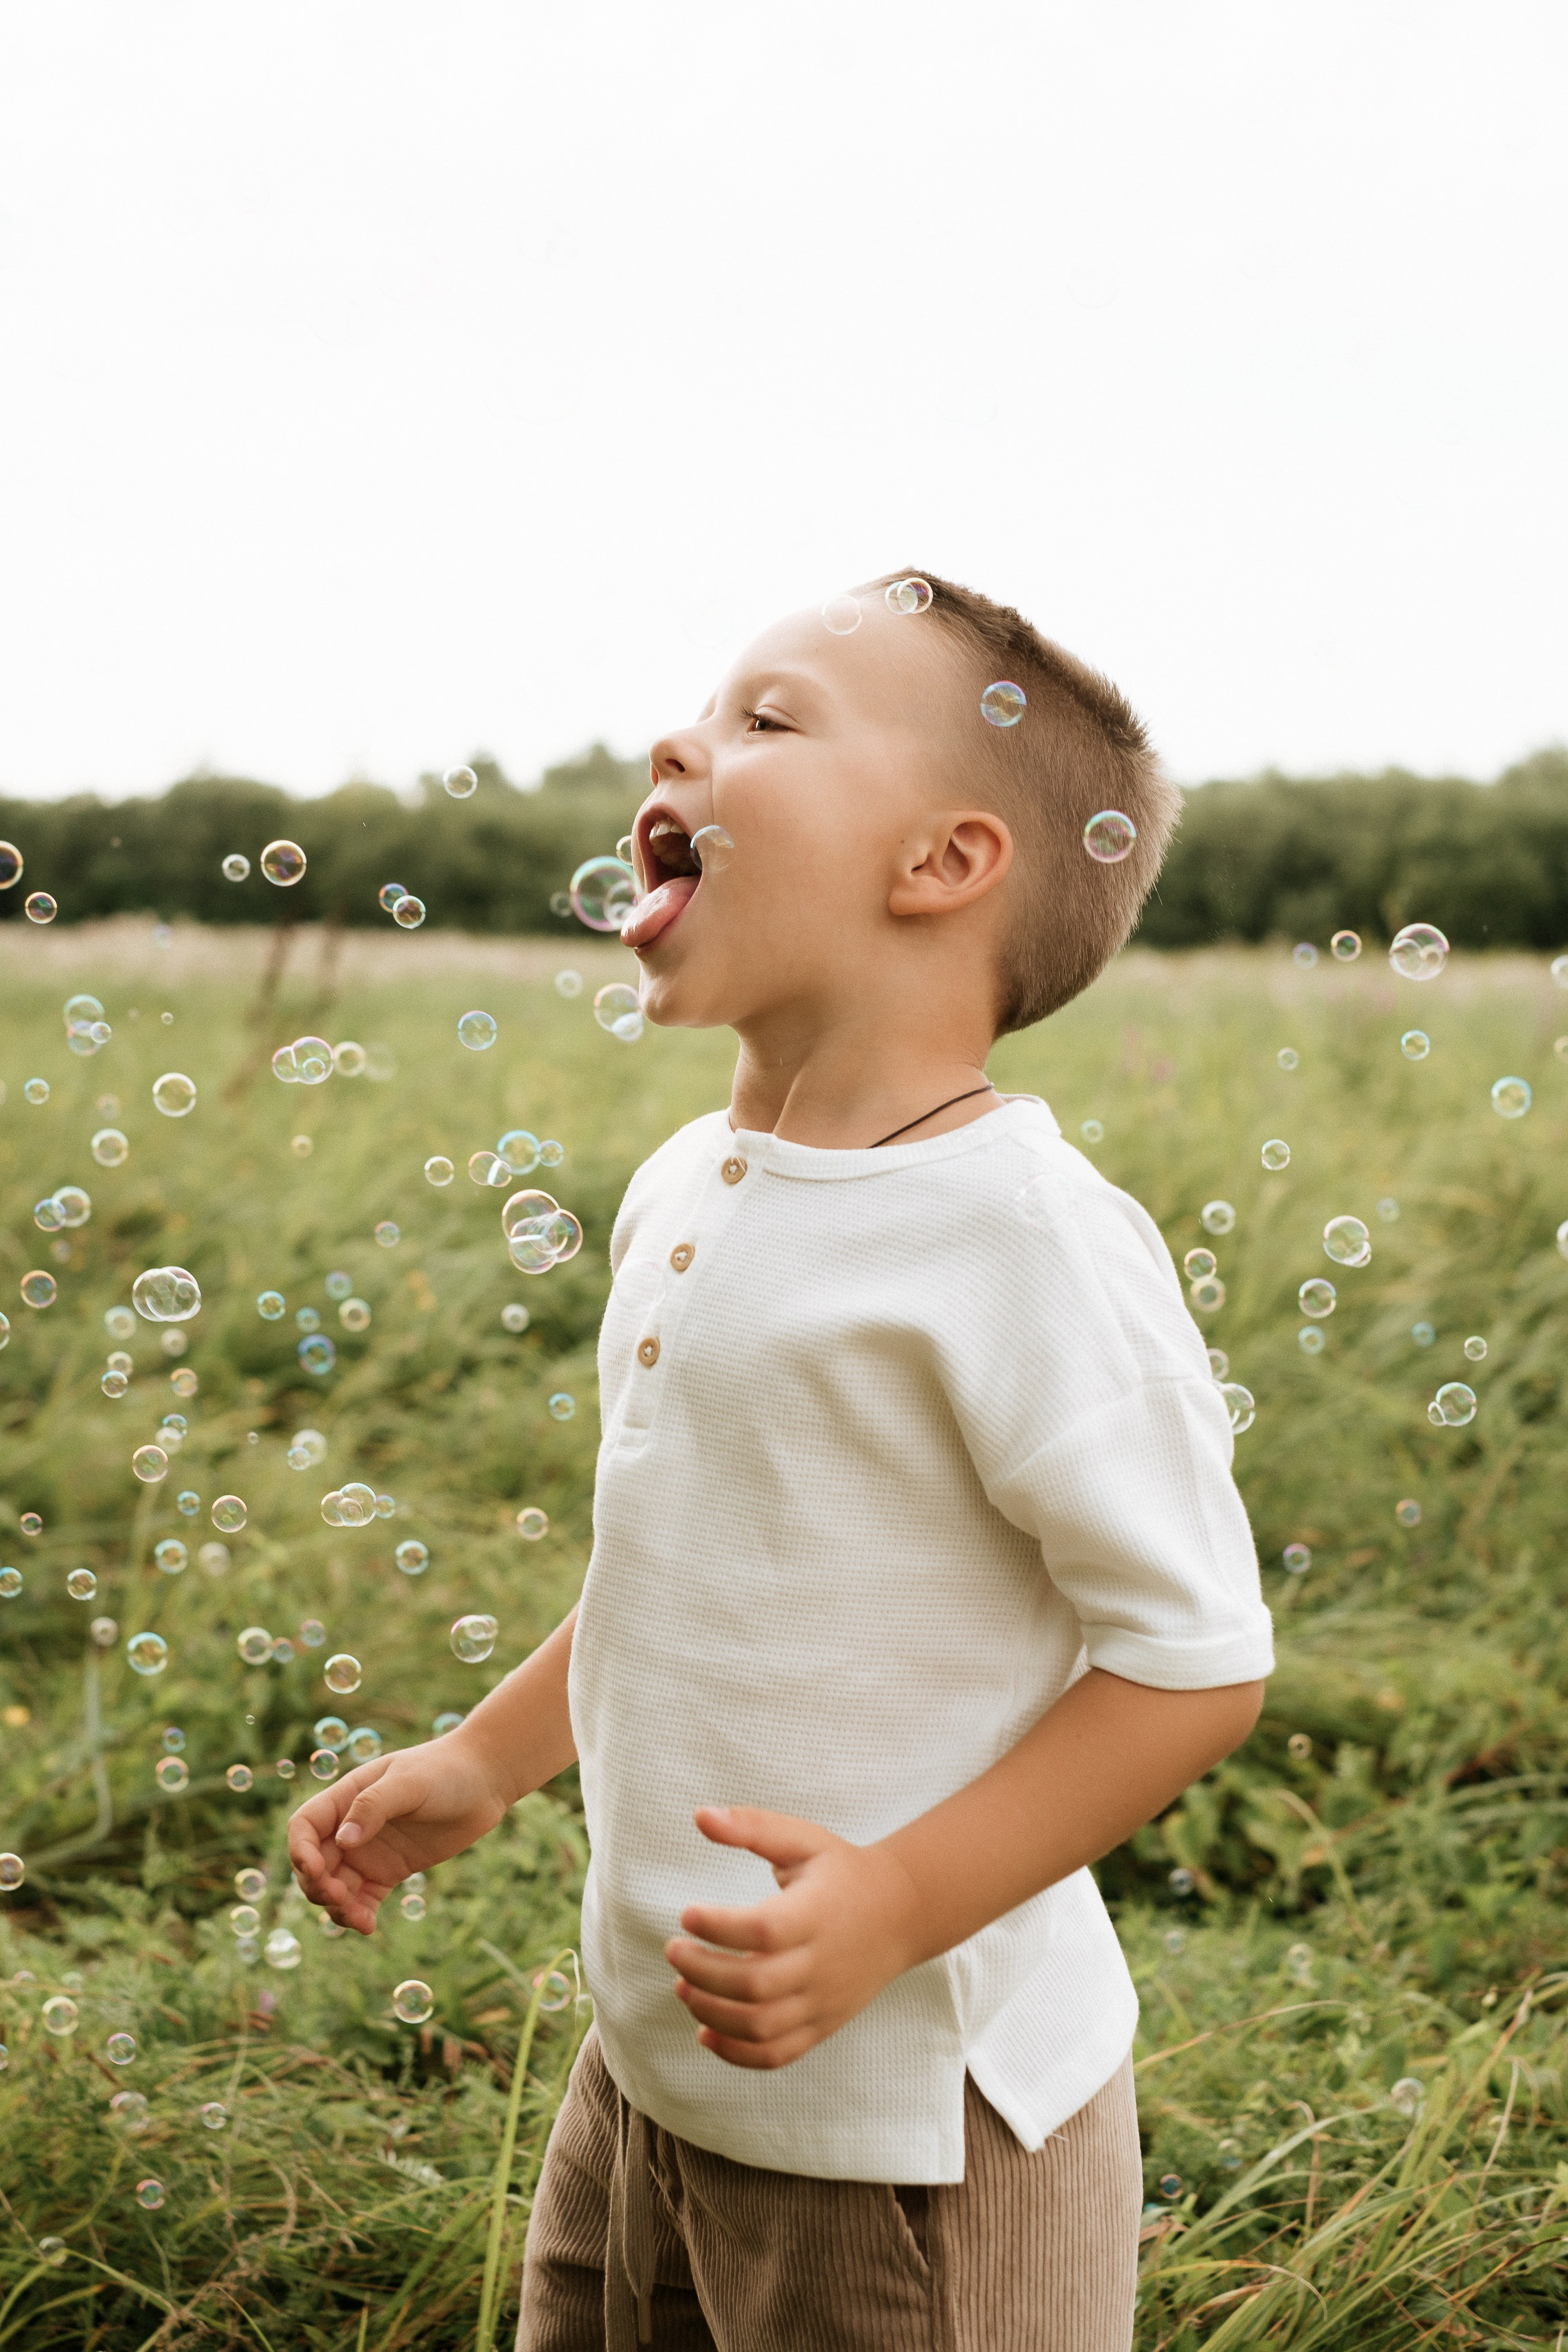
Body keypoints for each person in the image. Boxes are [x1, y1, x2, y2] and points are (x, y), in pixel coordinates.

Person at [288, 570, 1273, 2351]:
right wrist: (490, 1756)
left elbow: (1192, 1662)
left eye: (766, 718)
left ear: (943, 862)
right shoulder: (691, 1181)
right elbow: (681, 1569)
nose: (680, 742)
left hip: (912, 2125)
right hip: (656, 2060)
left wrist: (897, 1901)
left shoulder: (1019, 1235)